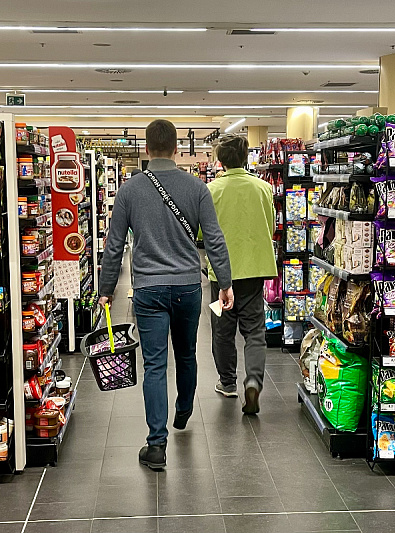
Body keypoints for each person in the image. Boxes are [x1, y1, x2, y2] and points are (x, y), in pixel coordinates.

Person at [98, 119, 234, 470]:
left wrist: (106, 289)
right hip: (188, 285)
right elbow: (215, 239)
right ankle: (184, 409)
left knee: (155, 365)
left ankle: (156, 445)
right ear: (177, 149)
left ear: (146, 149)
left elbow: (113, 247)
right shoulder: (197, 188)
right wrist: (226, 282)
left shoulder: (128, 191)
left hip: (147, 288)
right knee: (186, 354)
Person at [206, 134, 277, 415]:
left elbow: (202, 232)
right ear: (247, 158)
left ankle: (228, 382)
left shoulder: (211, 190)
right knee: (255, 332)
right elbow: (270, 226)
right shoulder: (263, 188)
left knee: (223, 332)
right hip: (254, 271)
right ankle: (254, 381)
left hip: (222, 273)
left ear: (220, 160)